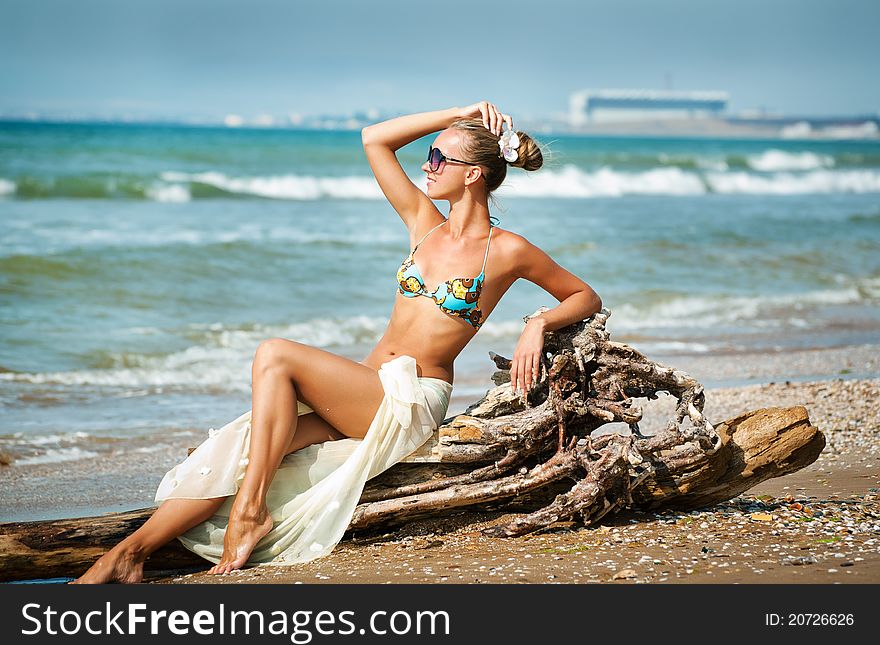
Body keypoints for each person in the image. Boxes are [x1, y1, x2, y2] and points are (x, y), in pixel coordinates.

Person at [73, 101, 603, 583]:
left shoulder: (508, 250)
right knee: (247, 447)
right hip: (367, 388)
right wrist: (457, 111)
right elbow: (375, 139)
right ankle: (127, 555)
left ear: (474, 175)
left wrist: (537, 323)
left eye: (440, 158)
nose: (428, 164)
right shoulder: (423, 223)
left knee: (274, 355)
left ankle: (249, 511)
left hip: (411, 399)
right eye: (429, 155)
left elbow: (584, 295)